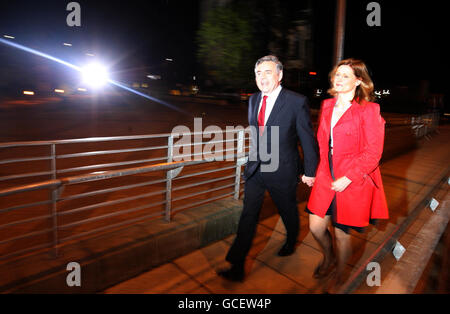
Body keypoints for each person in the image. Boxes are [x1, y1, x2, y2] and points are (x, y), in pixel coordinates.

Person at [218, 55, 318, 282]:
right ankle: (237, 266)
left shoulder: (295, 101)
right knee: (248, 216)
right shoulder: (253, 100)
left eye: (267, 72)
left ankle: (292, 239)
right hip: (256, 170)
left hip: (283, 170)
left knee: (287, 210)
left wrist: (309, 171)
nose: (262, 77)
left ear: (280, 75)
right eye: (258, 73)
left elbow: (306, 138)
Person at [306, 58, 389, 292]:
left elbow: (374, 152)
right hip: (325, 173)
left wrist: (349, 177)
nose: (339, 79)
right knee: (315, 227)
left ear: (358, 80)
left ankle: (341, 275)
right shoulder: (327, 105)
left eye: (345, 75)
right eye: (337, 75)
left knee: (342, 234)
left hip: (352, 178)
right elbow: (322, 143)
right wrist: (313, 171)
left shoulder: (369, 109)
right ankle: (328, 257)